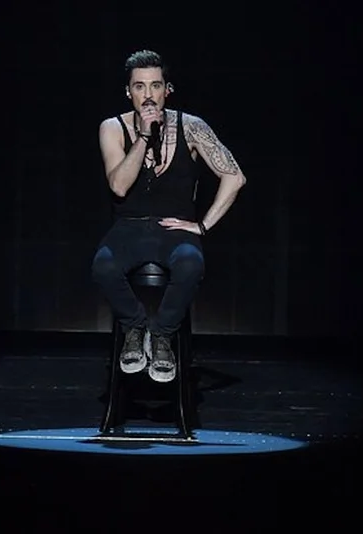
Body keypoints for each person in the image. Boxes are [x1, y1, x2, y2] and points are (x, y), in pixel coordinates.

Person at [91, 49, 246, 383]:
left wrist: (202, 225)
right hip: (129, 228)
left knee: (190, 264)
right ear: (128, 91)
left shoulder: (191, 127)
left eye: (156, 86)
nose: (148, 95)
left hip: (175, 229)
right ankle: (135, 328)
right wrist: (144, 136)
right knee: (103, 266)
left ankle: (162, 335)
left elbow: (235, 177)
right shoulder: (112, 128)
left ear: (167, 89)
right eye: (140, 87)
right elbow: (119, 186)